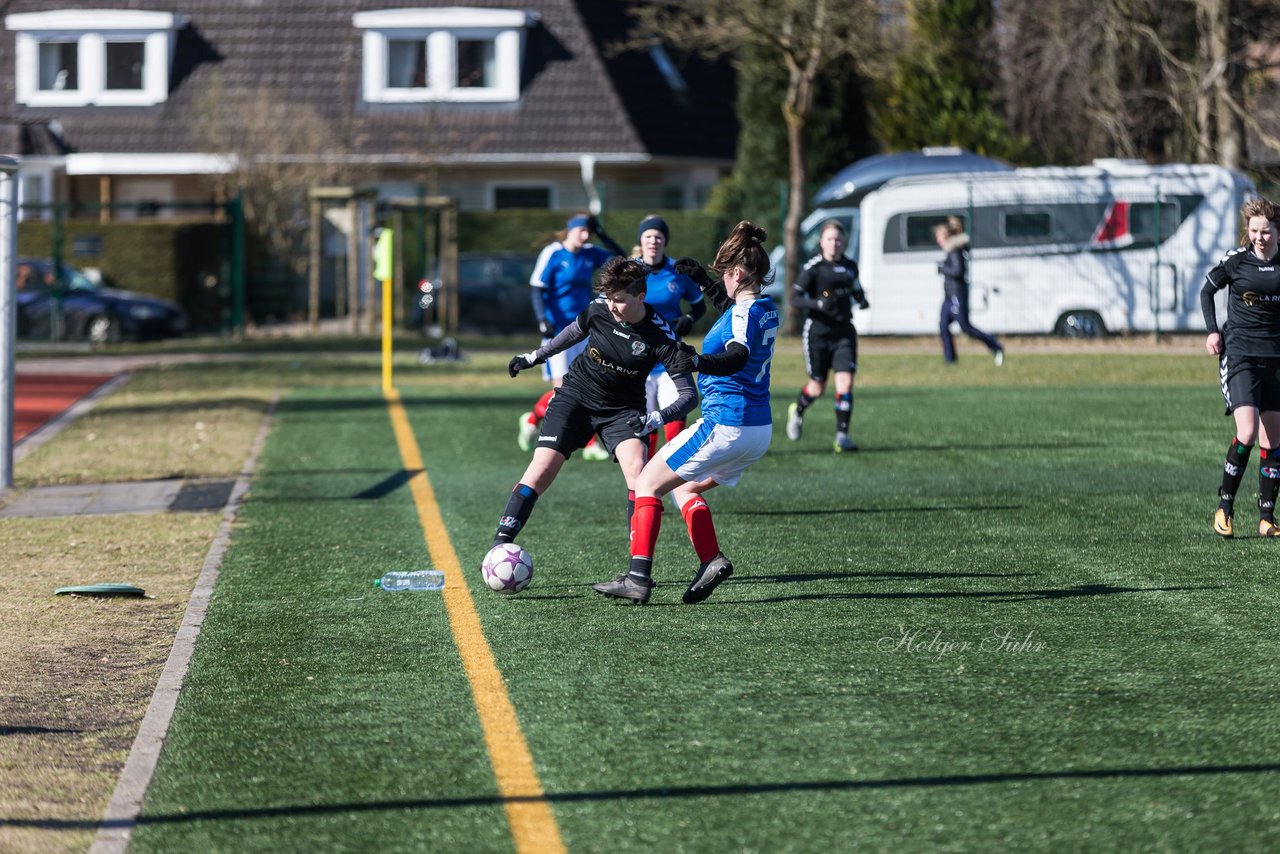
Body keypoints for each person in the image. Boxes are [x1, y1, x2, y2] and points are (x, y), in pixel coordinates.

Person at [593, 221, 780, 605]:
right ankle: (710, 560)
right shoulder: (765, 307)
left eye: (723, 276)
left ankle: (637, 578)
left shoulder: (744, 315)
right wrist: (702, 282)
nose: (721, 283)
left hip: (727, 422)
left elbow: (737, 355)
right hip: (758, 430)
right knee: (684, 486)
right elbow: (733, 309)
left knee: (646, 482)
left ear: (738, 273)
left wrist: (697, 360)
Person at [492, 257, 697, 556]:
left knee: (639, 476)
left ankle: (637, 564)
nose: (612, 306)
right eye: (609, 299)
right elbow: (574, 332)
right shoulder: (600, 308)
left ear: (641, 297)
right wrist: (534, 357)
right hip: (576, 396)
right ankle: (499, 545)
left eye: (620, 300)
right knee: (540, 470)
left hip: (623, 410)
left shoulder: (661, 335)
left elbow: (689, 396)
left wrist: (655, 418)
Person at [1202, 196, 1280, 539]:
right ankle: (1225, 508)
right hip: (1241, 356)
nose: (1260, 237)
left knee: (1274, 440)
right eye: (1254, 231)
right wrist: (1212, 331)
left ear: (1277, 231)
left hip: (1276, 358)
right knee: (1246, 432)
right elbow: (1207, 290)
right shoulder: (1237, 261)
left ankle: (1266, 517)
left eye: (1265, 231)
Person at [518, 213, 625, 459]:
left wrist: (603, 235)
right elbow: (537, 287)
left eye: (589, 231)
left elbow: (622, 260)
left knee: (590, 385)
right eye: (582, 231)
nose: (585, 236)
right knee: (563, 390)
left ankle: (589, 445)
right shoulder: (553, 253)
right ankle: (534, 418)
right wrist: (542, 319)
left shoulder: (589, 253)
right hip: (558, 333)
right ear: (570, 230)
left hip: (585, 330)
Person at [784, 220, 869, 453]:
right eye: (830, 239)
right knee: (817, 387)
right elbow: (794, 298)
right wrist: (816, 303)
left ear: (844, 242)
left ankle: (842, 437)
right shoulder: (814, 267)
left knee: (845, 383)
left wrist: (862, 300)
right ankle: (798, 411)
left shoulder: (850, 266)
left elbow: (855, 287)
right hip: (818, 333)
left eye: (839, 239)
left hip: (844, 332)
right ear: (822, 242)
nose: (834, 243)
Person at [635, 214, 707, 457]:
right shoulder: (630, 271)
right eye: (648, 236)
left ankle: (675, 482)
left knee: (676, 417)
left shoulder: (677, 271)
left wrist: (688, 319)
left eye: (658, 236)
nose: (653, 241)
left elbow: (699, 307)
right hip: (637, 359)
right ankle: (643, 487)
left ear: (665, 241)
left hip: (670, 359)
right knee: (643, 429)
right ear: (641, 240)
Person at [936, 216, 1004, 366]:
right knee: (942, 327)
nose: (938, 240)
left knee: (966, 327)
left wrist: (943, 268)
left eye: (940, 237)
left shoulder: (956, 252)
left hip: (957, 296)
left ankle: (995, 345)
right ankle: (950, 360)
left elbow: (958, 271)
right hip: (948, 297)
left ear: (947, 236)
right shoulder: (950, 252)